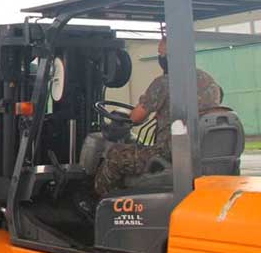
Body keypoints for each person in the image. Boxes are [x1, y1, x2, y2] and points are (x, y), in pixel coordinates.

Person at [94, 38, 223, 196]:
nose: (160, 58)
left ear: (170, 57)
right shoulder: (210, 83)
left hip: (167, 153)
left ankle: (102, 205)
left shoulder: (163, 83)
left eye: (161, 54)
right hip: (198, 151)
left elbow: (136, 117)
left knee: (115, 154)